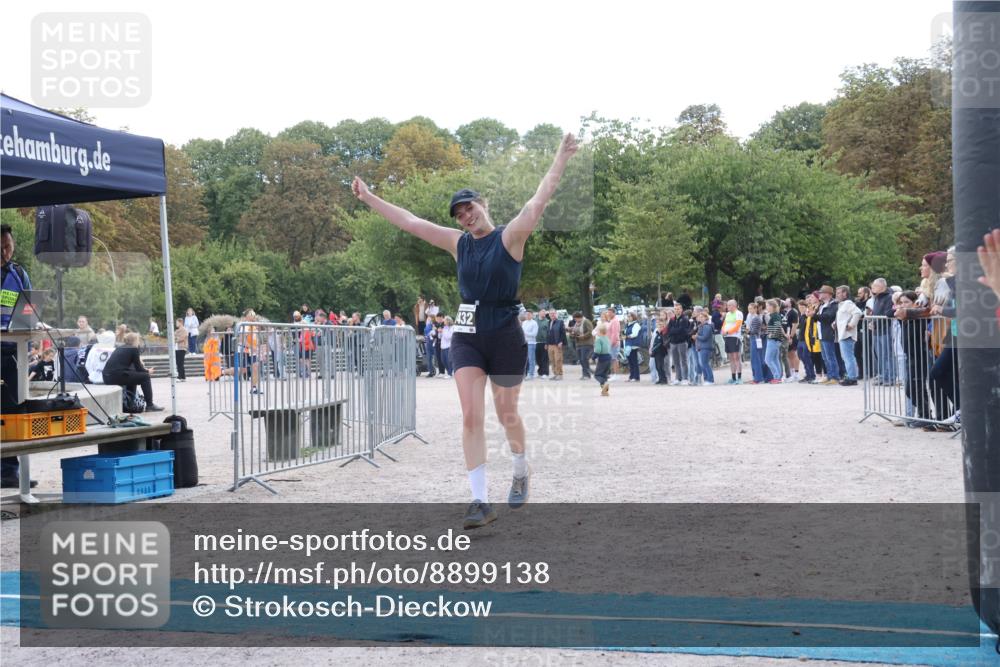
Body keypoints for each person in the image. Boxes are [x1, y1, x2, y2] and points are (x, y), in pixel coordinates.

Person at [351, 132, 579, 529]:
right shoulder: (459, 244)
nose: (465, 217)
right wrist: (369, 197)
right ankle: (479, 501)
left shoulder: (511, 237)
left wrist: (561, 156)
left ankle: (521, 469)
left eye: (469, 208)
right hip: (469, 337)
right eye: (458, 213)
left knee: (507, 413)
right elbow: (410, 222)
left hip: (506, 334)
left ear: (483, 205)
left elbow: (540, 199)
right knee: (471, 415)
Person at [1, 224, 38, 488]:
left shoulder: (19, 273)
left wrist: (33, 321)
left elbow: (29, 307)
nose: (6, 253)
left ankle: (9, 472)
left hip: (13, 350)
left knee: (13, 409)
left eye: (9, 247)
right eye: (1, 248)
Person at [103, 332, 165, 412]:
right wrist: (147, 371)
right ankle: (150, 405)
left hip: (107, 376)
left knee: (133, 377)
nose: (139, 343)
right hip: (117, 375)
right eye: (138, 340)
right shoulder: (133, 349)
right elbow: (139, 368)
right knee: (145, 377)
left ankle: (131, 405)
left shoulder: (120, 348)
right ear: (135, 340)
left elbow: (131, 368)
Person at [835, 285, 863, 386]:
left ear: (845, 293)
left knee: (848, 357)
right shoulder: (842, 305)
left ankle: (852, 378)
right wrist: (835, 324)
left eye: (838, 293)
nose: (837, 295)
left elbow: (858, 312)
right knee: (846, 357)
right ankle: (850, 375)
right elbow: (843, 318)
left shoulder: (848, 303)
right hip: (843, 334)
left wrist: (851, 324)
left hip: (847, 334)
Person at [814, 286, 841, 384]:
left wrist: (814, 315)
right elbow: (818, 318)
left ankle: (834, 376)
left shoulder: (833, 305)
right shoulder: (822, 305)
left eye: (821, 293)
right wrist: (814, 315)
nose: (819, 295)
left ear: (827, 294)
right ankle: (829, 375)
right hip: (821, 333)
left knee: (830, 356)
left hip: (828, 333)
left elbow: (828, 317)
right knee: (825, 357)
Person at [666, 303, 691, 385]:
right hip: (673, 343)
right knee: (676, 361)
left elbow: (683, 330)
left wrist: (674, 330)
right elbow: (669, 330)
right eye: (675, 309)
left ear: (681, 310)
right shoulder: (672, 319)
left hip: (682, 342)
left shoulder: (684, 319)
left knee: (683, 361)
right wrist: (675, 330)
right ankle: (678, 378)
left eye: (678, 309)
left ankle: (685, 378)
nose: (677, 310)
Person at [721, 300, 744, 384]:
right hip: (728, 337)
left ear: (735, 305)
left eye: (730, 305)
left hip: (735, 337)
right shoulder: (727, 314)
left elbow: (738, 326)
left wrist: (728, 332)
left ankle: (739, 378)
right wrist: (723, 331)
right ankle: (733, 377)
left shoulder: (739, 313)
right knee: (731, 358)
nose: (728, 307)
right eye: (727, 305)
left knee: (736, 357)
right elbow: (725, 324)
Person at [763, 299, 785, 384]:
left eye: (767, 306)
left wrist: (770, 335)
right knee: (775, 359)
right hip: (775, 340)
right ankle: (778, 377)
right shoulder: (774, 315)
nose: (766, 307)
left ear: (772, 307)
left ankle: (776, 377)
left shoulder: (775, 316)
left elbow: (777, 326)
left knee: (768, 359)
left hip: (773, 340)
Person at [570, 311, 594, 380]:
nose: (575, 320)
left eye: (575, 318)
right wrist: (573, 334)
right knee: (581, 360)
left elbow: (590, 331)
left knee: (584, 359)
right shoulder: (576, 323)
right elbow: (575, 331)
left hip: (586, 343)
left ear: (579, 317)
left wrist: (583, 336)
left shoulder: (586, 321)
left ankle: (587, 374)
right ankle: (585, 374)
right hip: (578, 344)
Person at [694, 310, 715, 385]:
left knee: (705, 363)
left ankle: (710, 379)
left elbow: (704, 337)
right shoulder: (700, 326)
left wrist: (697, 336)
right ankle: (706, 379)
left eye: (702, 317)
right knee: (702, 364)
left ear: (706, 318)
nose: (700, 318)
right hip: (700, 347)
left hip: (706, 347)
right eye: (699, 317)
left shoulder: (707, 326)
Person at [547, 310, 567, 381]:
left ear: (556, 314)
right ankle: (555, 374)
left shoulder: (560, 322)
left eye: (553, 313)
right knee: (552, 360)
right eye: (551, 314)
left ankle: (560, 374)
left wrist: (561, 341)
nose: (552, 315)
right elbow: (548, 334)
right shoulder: (549, 322)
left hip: (557, 344)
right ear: (549, 315)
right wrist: (547, 344)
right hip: (550, 345)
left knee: (558, 359)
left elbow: (563, 333)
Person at [593, 321, 612, 396]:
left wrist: (593, 357)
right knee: (604, 375)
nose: (596, 332)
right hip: (608, 358)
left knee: (597, 375)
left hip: (602, 359)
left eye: (597, 330)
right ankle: (605, 391)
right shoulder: (606, 338)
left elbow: (598, 350)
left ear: (600, 331)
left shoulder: (598, 339)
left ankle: (604, 384)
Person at [623, 311, 643, 381]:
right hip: (628, 344)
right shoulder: (628, 324)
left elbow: (635, 334)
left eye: (630, 316)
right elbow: (625, 333)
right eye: (628, 316)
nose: (628, 318)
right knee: (630, 361)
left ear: (633, 317)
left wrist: (627, 336)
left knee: (634, 361)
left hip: (633, 345)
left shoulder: (636, 324)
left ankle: (636, 377)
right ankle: (631, 376)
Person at [521, 311, 538, 379]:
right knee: (525, 360)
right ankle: (526, 373)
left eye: (529, 314)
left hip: (531, 343)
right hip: (524, 343)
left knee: (531, 359)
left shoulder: (534, 323)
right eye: (526, 314)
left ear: (532, 315)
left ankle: (531, 374)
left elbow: (534, 334)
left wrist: (524, 332)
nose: (527, 315)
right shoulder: (524, 322)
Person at [535, 309, 550, 378]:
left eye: (544, 312)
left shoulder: (547, 321)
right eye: (542, 312)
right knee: (538, 359)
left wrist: (547, 343)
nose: (543, 313)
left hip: (544, 342)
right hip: (535, 342)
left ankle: (545, 373)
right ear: (539, 313)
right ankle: (540, 372)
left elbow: (549, 333)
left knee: (544, 358)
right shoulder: (534, 321)